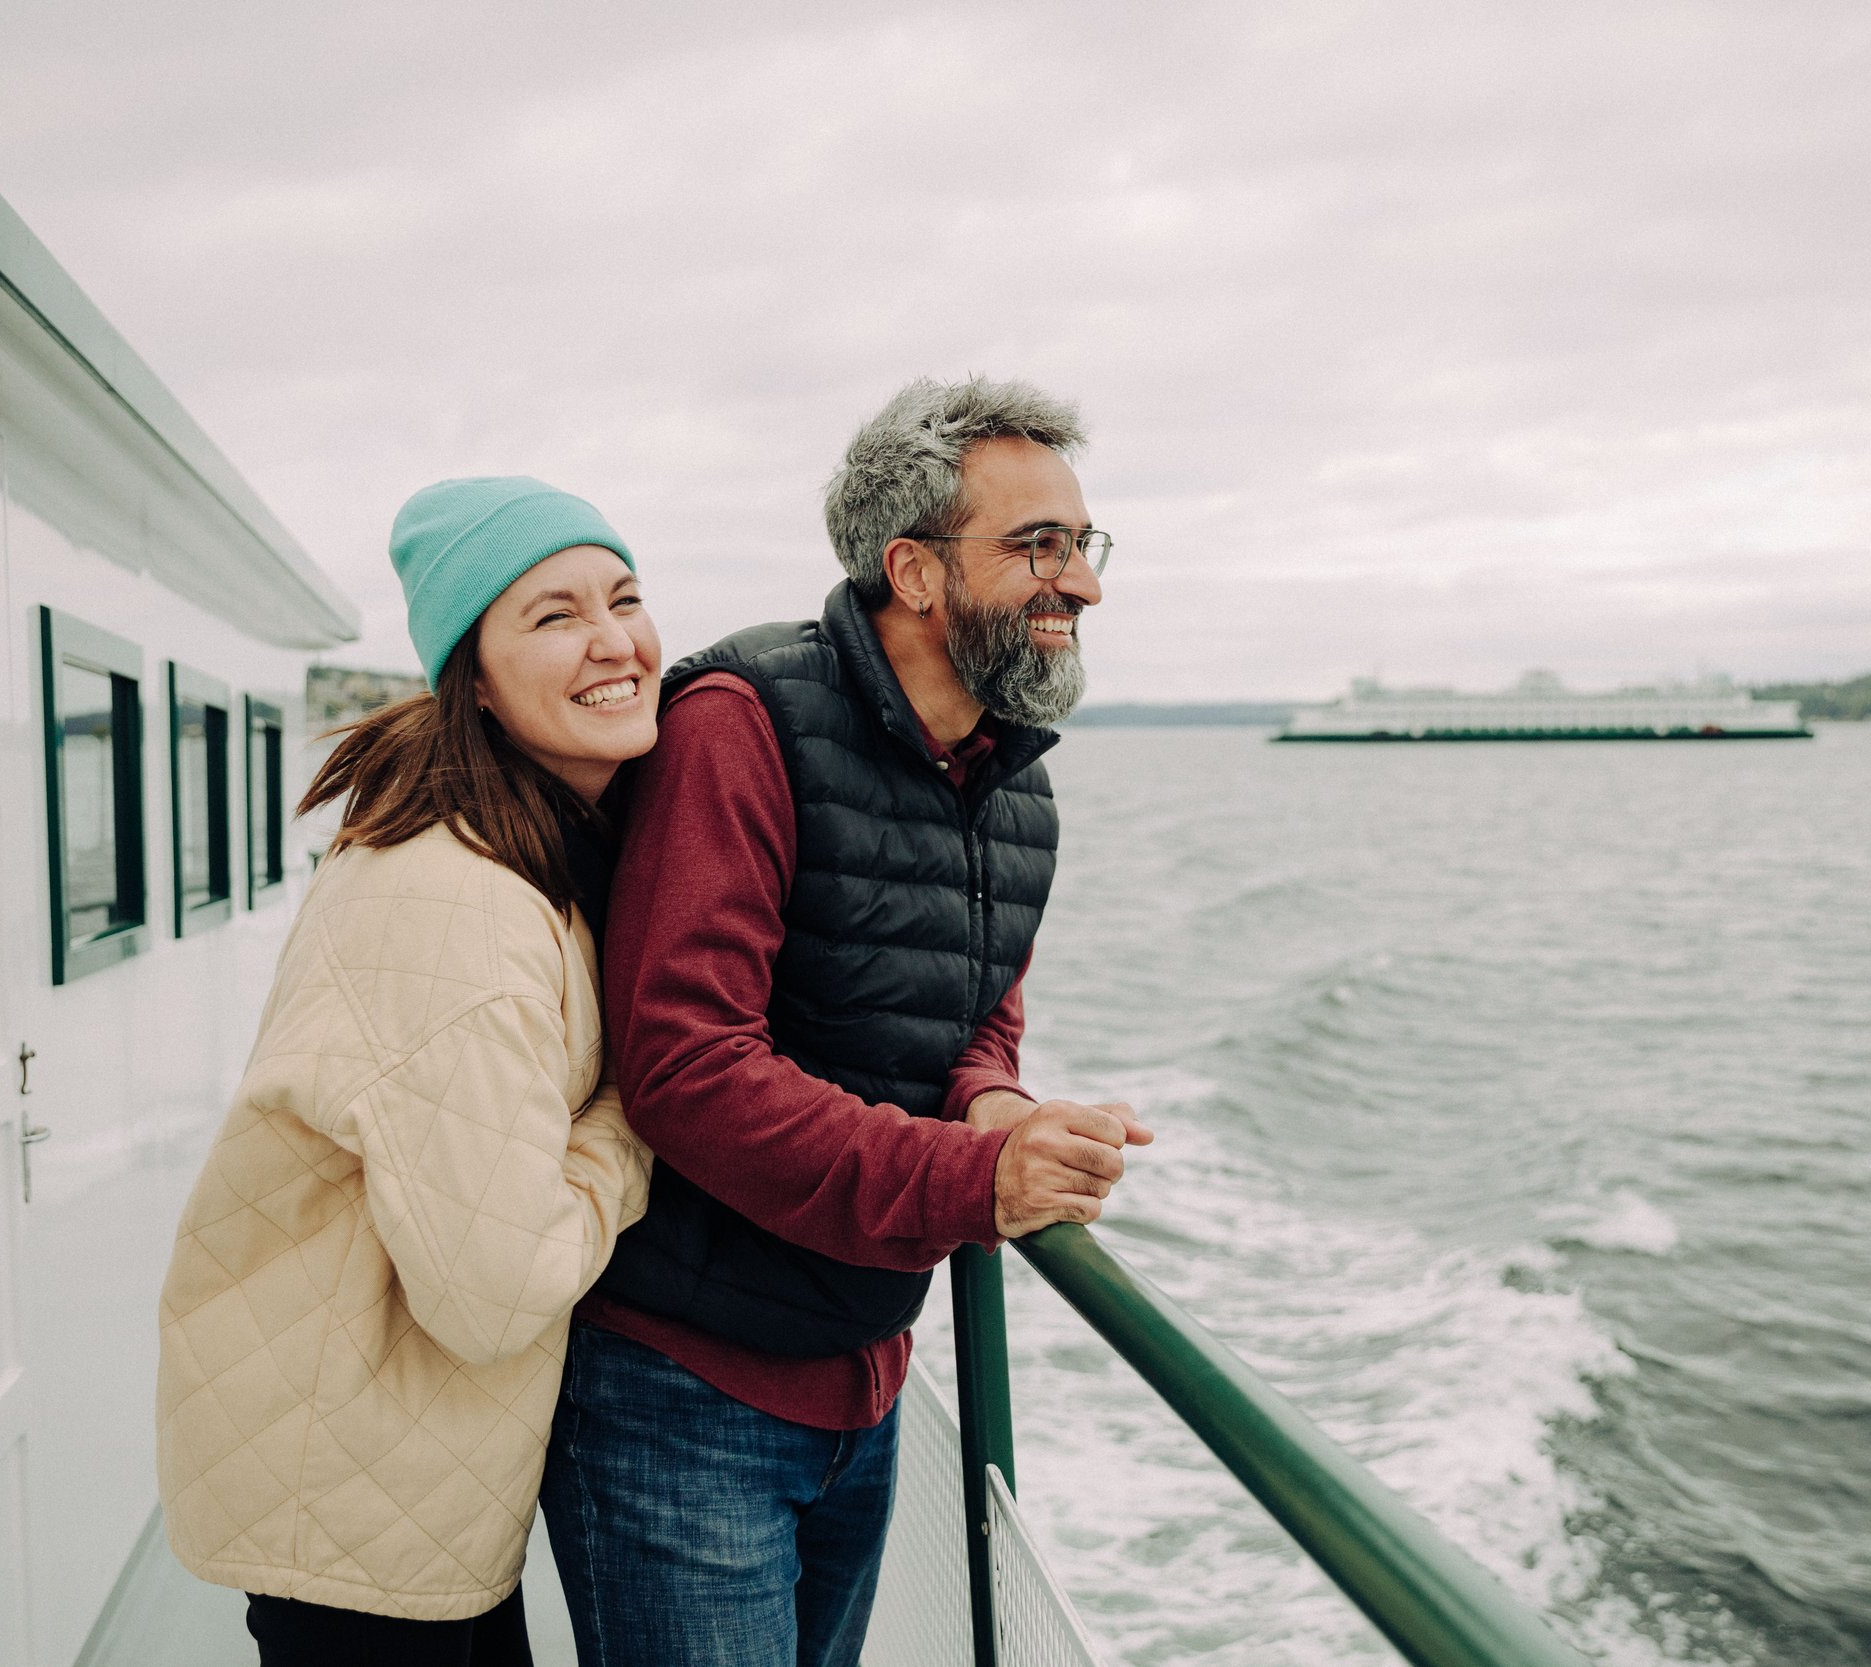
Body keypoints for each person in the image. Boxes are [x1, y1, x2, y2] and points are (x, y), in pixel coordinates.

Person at [543, 376, 1153, 1665]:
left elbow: (978, 1018)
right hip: (679, 1393)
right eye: (1039, 545)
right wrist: (976, 1172)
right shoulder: (741, 722)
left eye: (1082, 545)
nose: (1082, 584)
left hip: (864, 1382)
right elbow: (685, 1068)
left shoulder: (1014, 784)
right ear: (913, 570)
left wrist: (995, 1100)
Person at [155, 477, 660, 1667]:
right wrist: (638, 1114)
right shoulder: (455, 906)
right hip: (357, 1503)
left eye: (625, 597)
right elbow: (489, 1292)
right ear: (471, 677)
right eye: (551, 613)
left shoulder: (517, 846)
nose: (613, 639)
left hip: (383, 1477)